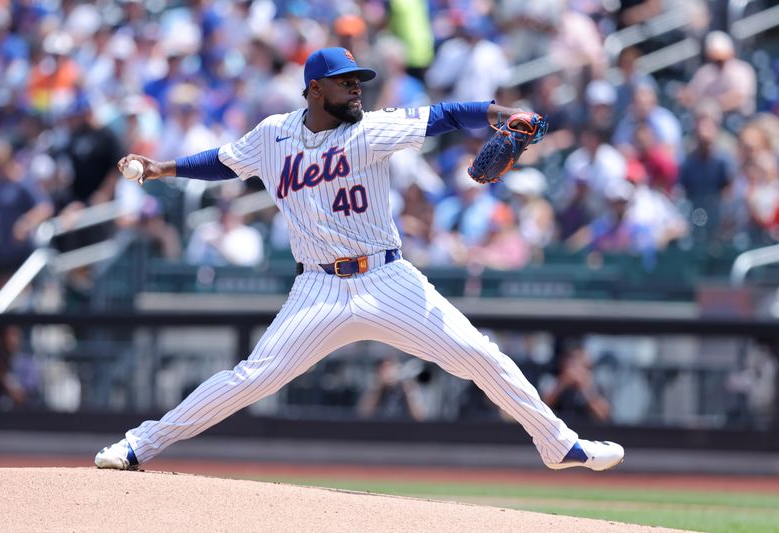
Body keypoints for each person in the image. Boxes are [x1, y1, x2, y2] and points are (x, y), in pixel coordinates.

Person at [95, 47, 624, 472]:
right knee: (250, 378)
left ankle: (559, 444)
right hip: (318, 289)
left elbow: (445, 116)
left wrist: (506, 115)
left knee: (478, 355)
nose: (356, 88)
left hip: (387, 277)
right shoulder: (272, 135)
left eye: (359, 80)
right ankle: (140, 444)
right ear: (315, 88)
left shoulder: (369, 129)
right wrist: (162, 169)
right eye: (346, 81)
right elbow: (222, 162)